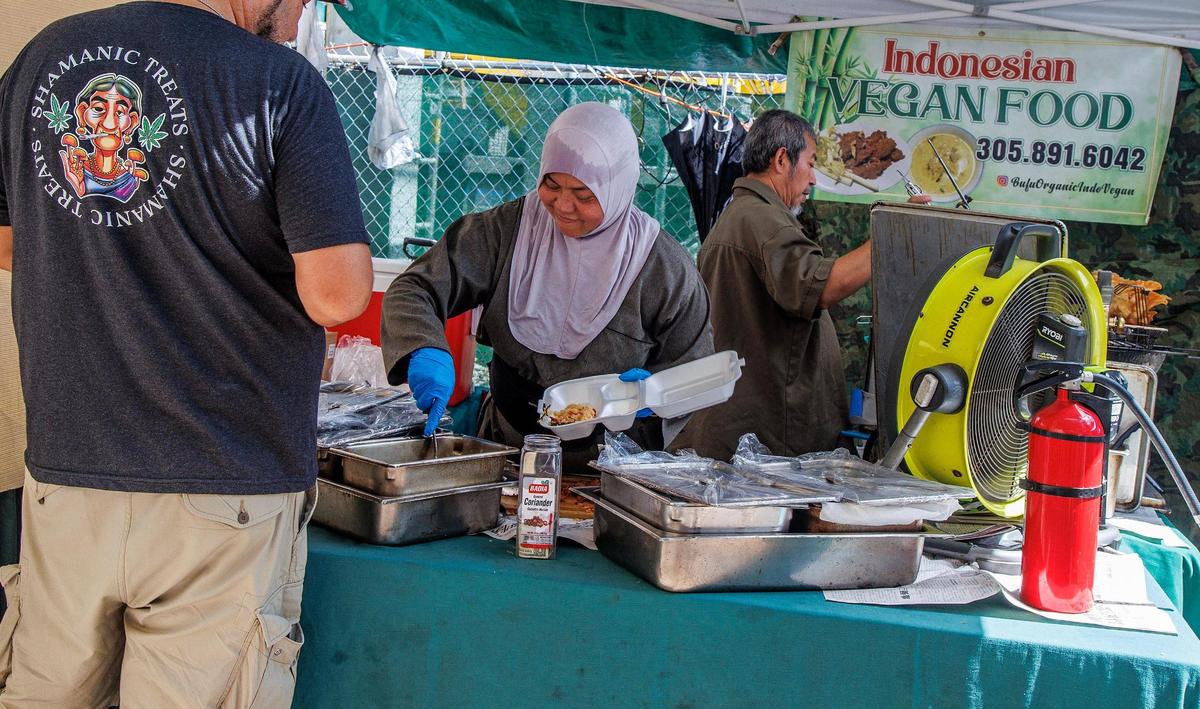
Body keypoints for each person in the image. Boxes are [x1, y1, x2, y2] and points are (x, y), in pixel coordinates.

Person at [0, 0, 372, 706]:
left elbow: (7, 243)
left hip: (67, 478)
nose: (296, 20)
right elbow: (337, 295)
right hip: (222, 483)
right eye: (299, 0)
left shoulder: (46, 57)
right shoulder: (279, 83)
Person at [382, 102, 713, 472]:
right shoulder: (506, 232)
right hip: (506, 445)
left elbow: (696, 372)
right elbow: (416, 288)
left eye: (586, 195)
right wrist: (424, 347)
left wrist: (658, 393)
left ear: (619, 188)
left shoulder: (662, 269)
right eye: (552, 186)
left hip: (612, 467)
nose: (564, 206)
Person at [674, 110, 930, 460]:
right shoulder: (760, 218)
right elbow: (820, 286)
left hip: (751, 427)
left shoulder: (746, 214)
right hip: (768, 435)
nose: (813, 179)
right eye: (810, 164)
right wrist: (893, 230)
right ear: (781, 159)